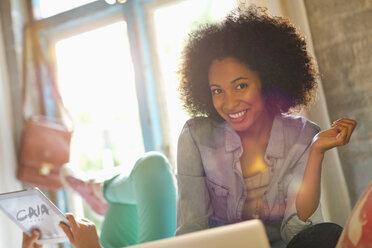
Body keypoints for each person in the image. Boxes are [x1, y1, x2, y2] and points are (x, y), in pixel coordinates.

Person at [175, 5, 356, 248]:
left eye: (240, 86)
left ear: (267, 81)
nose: (229, 103)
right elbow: (191, 229)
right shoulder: (195, 137)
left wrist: (316, 151)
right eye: (217, 91)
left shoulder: (303, 136)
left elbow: (296, 229)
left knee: (326, 235)